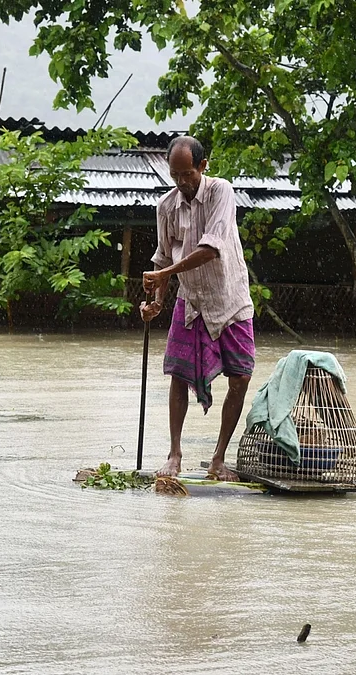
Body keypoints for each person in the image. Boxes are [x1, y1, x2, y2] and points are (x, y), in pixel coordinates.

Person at [140, 136, 255, 481]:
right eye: (174, 175)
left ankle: (218, 459)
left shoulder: (221, 192)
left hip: (229, 298)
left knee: (241, 377)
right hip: (191, 300)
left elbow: (210, 248)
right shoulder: (166, 206)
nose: (182, 182)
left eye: (187, 174)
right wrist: (155, 302)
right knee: (178, 374)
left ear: (203, 166)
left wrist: (165, 274)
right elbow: (162, 257)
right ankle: (174, 454)